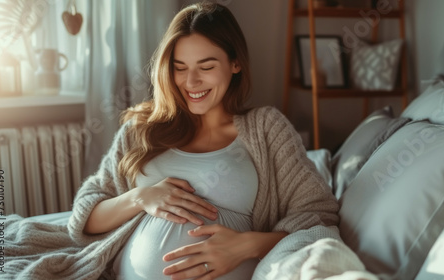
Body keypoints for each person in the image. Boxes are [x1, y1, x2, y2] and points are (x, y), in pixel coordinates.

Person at [78, 2, 339, 279]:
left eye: (206, 66)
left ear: (235, 63)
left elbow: (318, 213)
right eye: (180, 67)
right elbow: (87, 217)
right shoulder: (142, 130)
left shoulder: (266, 128)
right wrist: (140, 197)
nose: (191, 81)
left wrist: (248, 245)